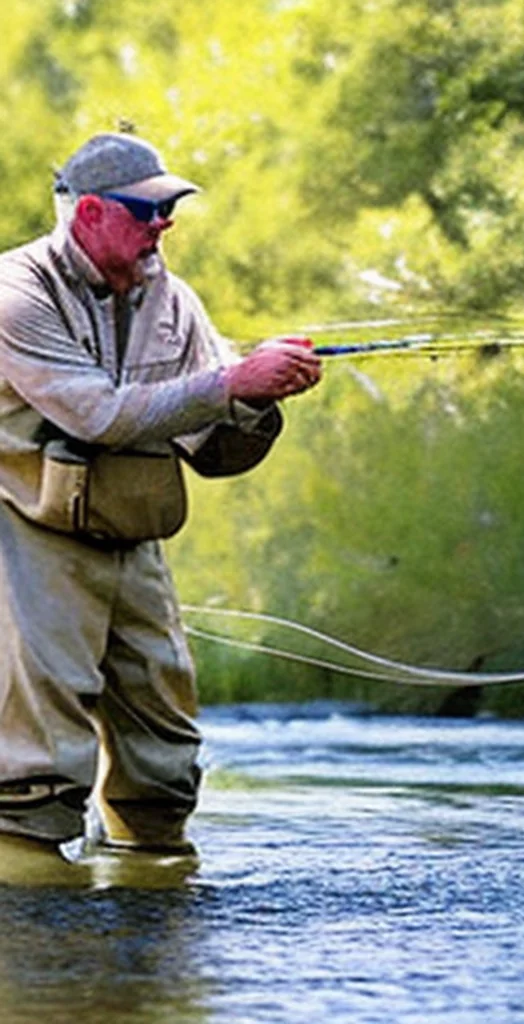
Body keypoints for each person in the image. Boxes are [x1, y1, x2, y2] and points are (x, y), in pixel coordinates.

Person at [0, 132, 322, 881]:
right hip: (26, 526)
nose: (164, 225)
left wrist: (257, 400)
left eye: (171, 207)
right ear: (88, 213)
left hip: (132, 531)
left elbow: (213, 446)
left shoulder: (173, 300)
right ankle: (32, 893)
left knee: (165, 743)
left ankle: (149, 865)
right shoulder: (15, 295)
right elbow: (99, 416)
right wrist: (231, 383)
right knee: (41, 742)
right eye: (147, 210)